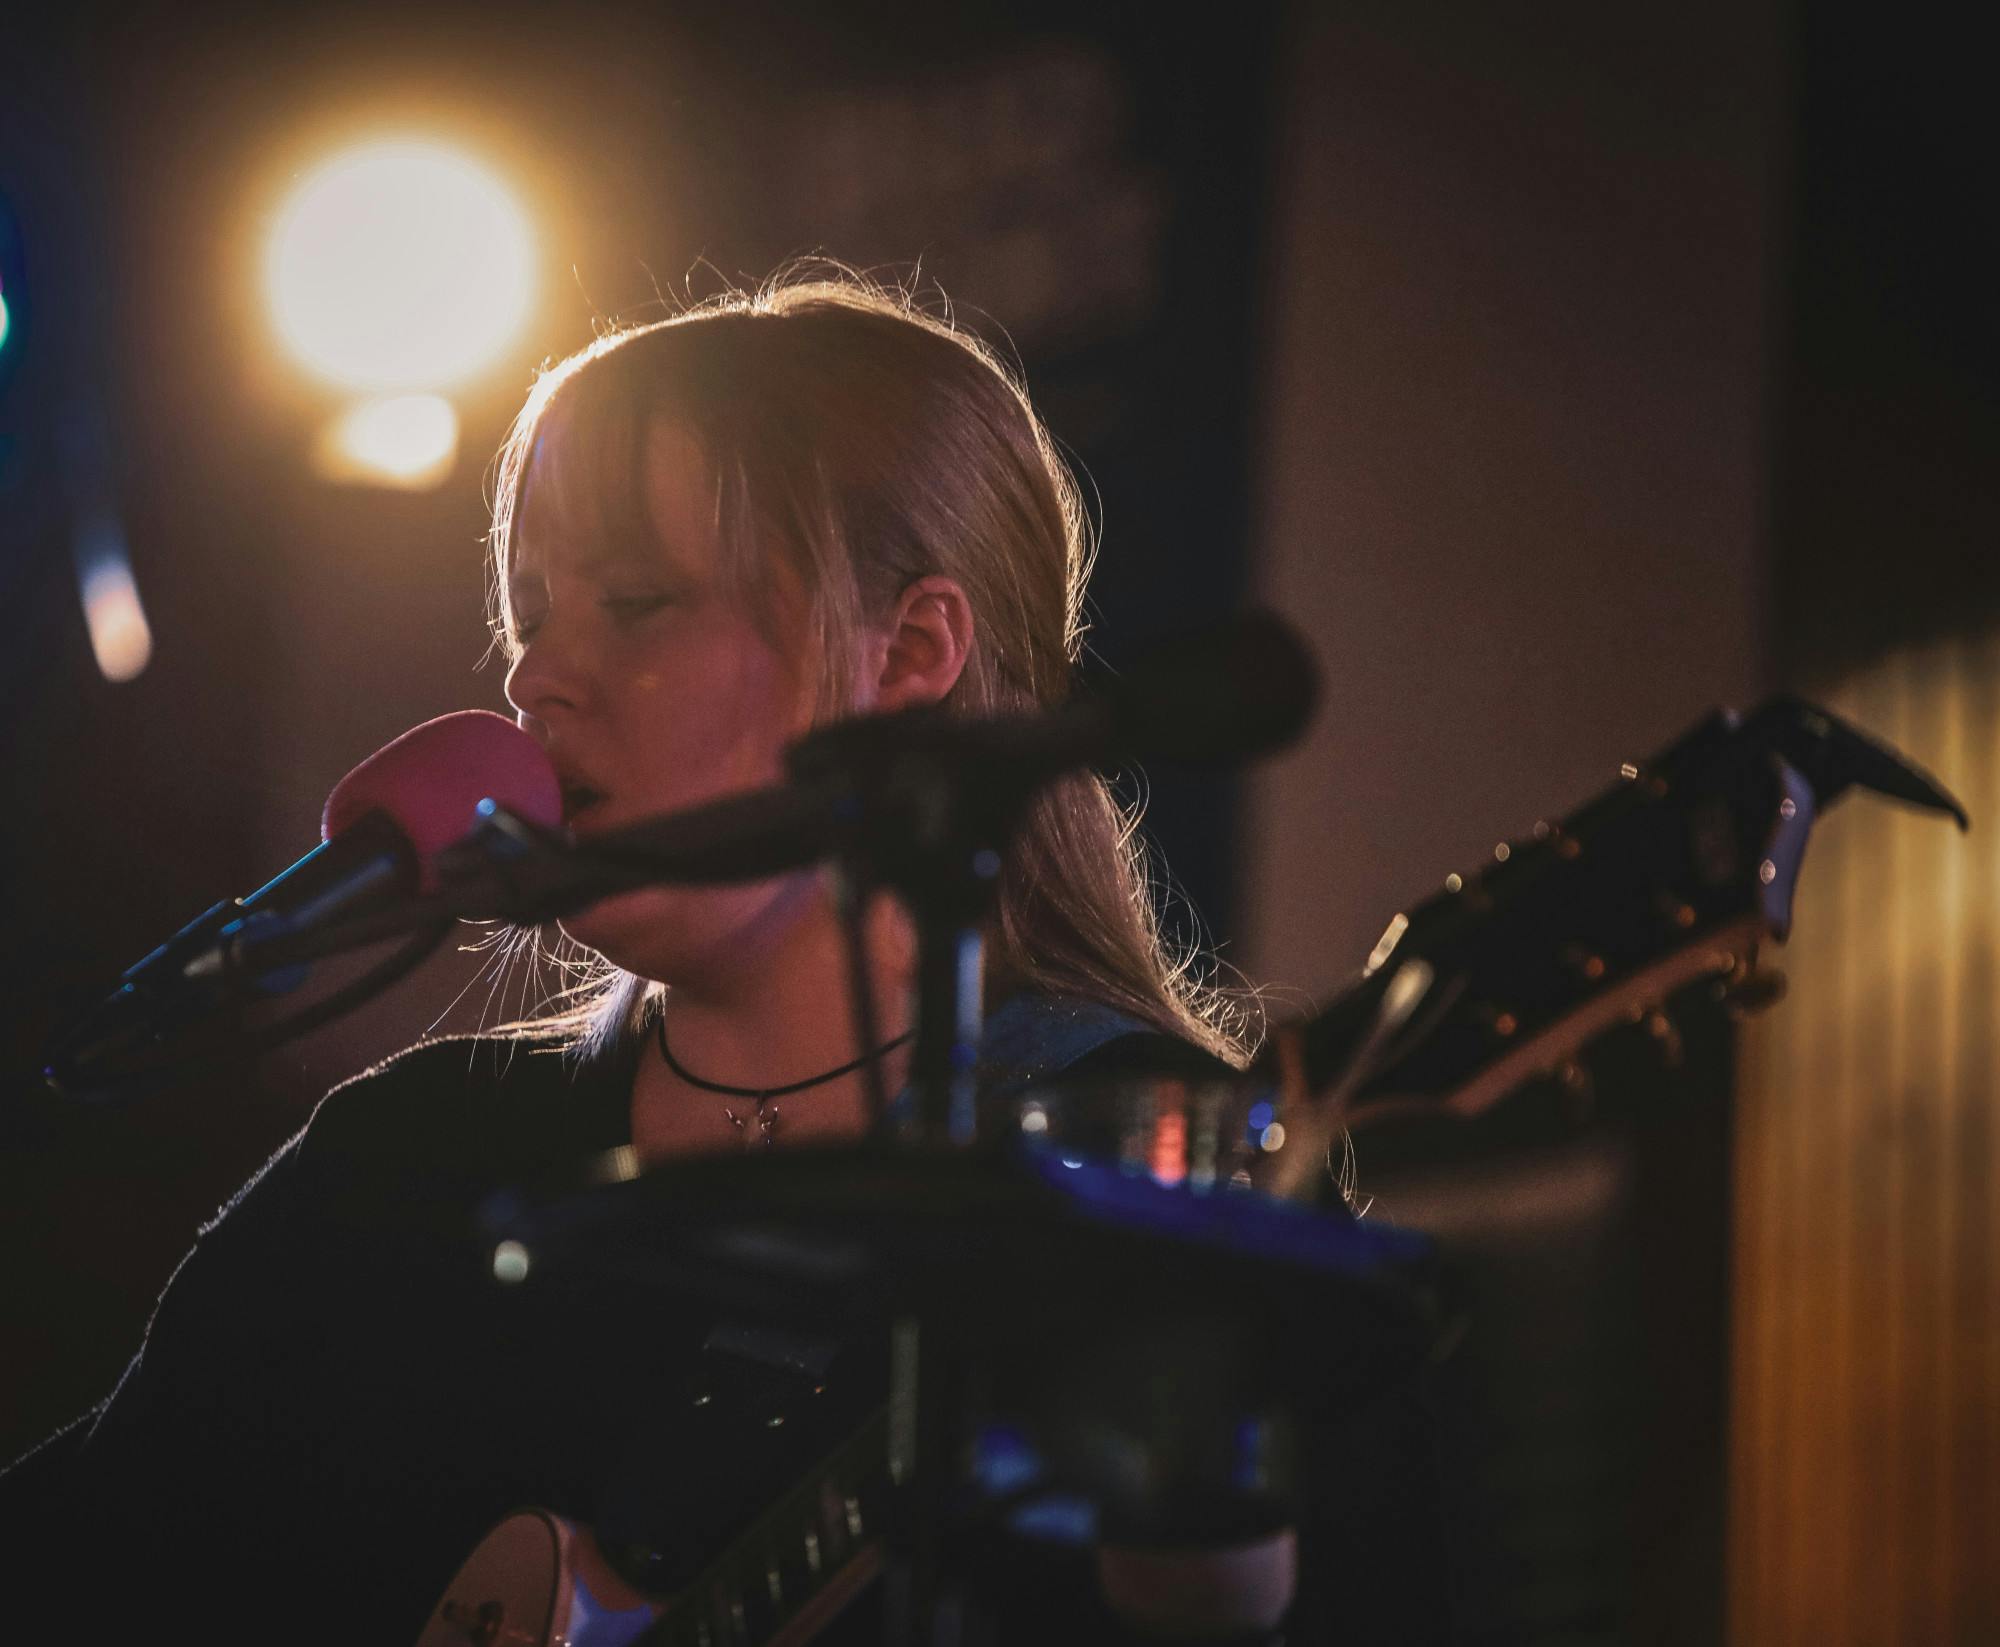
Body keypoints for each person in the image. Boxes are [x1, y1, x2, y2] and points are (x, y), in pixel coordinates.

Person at [0, 271, 1444, 1643]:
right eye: (531, 612)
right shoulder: (404, 1167)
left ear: (909, 651)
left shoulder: (1169, 1193)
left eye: (632, 602)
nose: (533, 675)